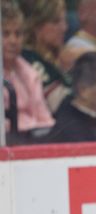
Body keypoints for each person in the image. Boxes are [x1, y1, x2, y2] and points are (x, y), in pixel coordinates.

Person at [2, 0, 54, 140]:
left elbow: (45, 119)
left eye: (18, 34)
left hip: (34, 139)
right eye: (5, 34)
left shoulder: (30, 73)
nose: (13, 41)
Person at [20, 0, 71, 113]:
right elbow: (61, 106)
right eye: (56, 22)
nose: (64, 28)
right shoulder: (28, 59)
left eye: (64, 21)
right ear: (37, 26)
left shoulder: (59, 60)